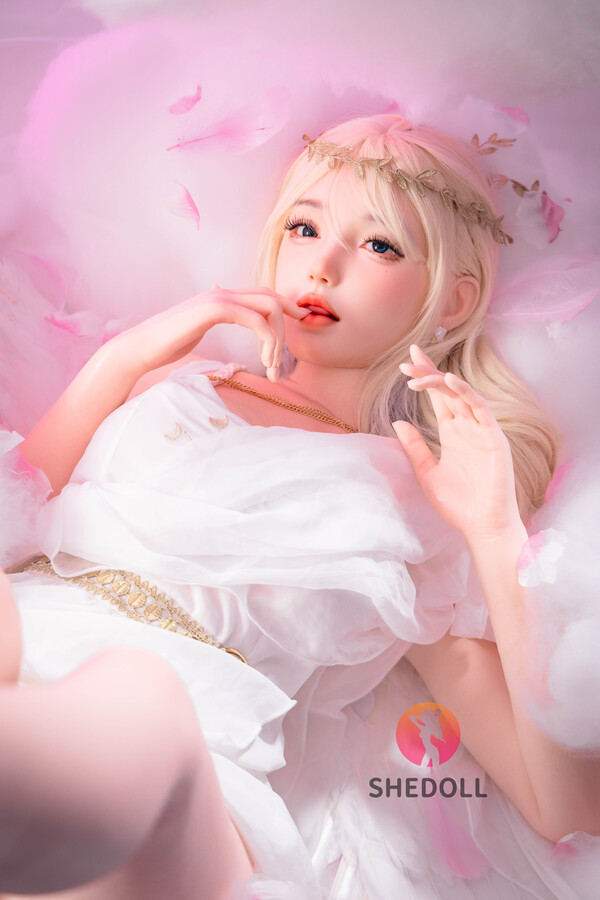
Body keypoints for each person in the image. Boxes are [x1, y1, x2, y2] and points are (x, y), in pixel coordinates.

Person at [1, 113, 598, 900]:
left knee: (138, 694)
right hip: (24, 653)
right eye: (305, 228)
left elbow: (568, 809)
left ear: (452, 300)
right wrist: (119, 360)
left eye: (379, 245)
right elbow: (14, 520)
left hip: (181, 764)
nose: (325, 266)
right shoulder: (167, 380)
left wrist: (493, 531)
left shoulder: (418, 505)